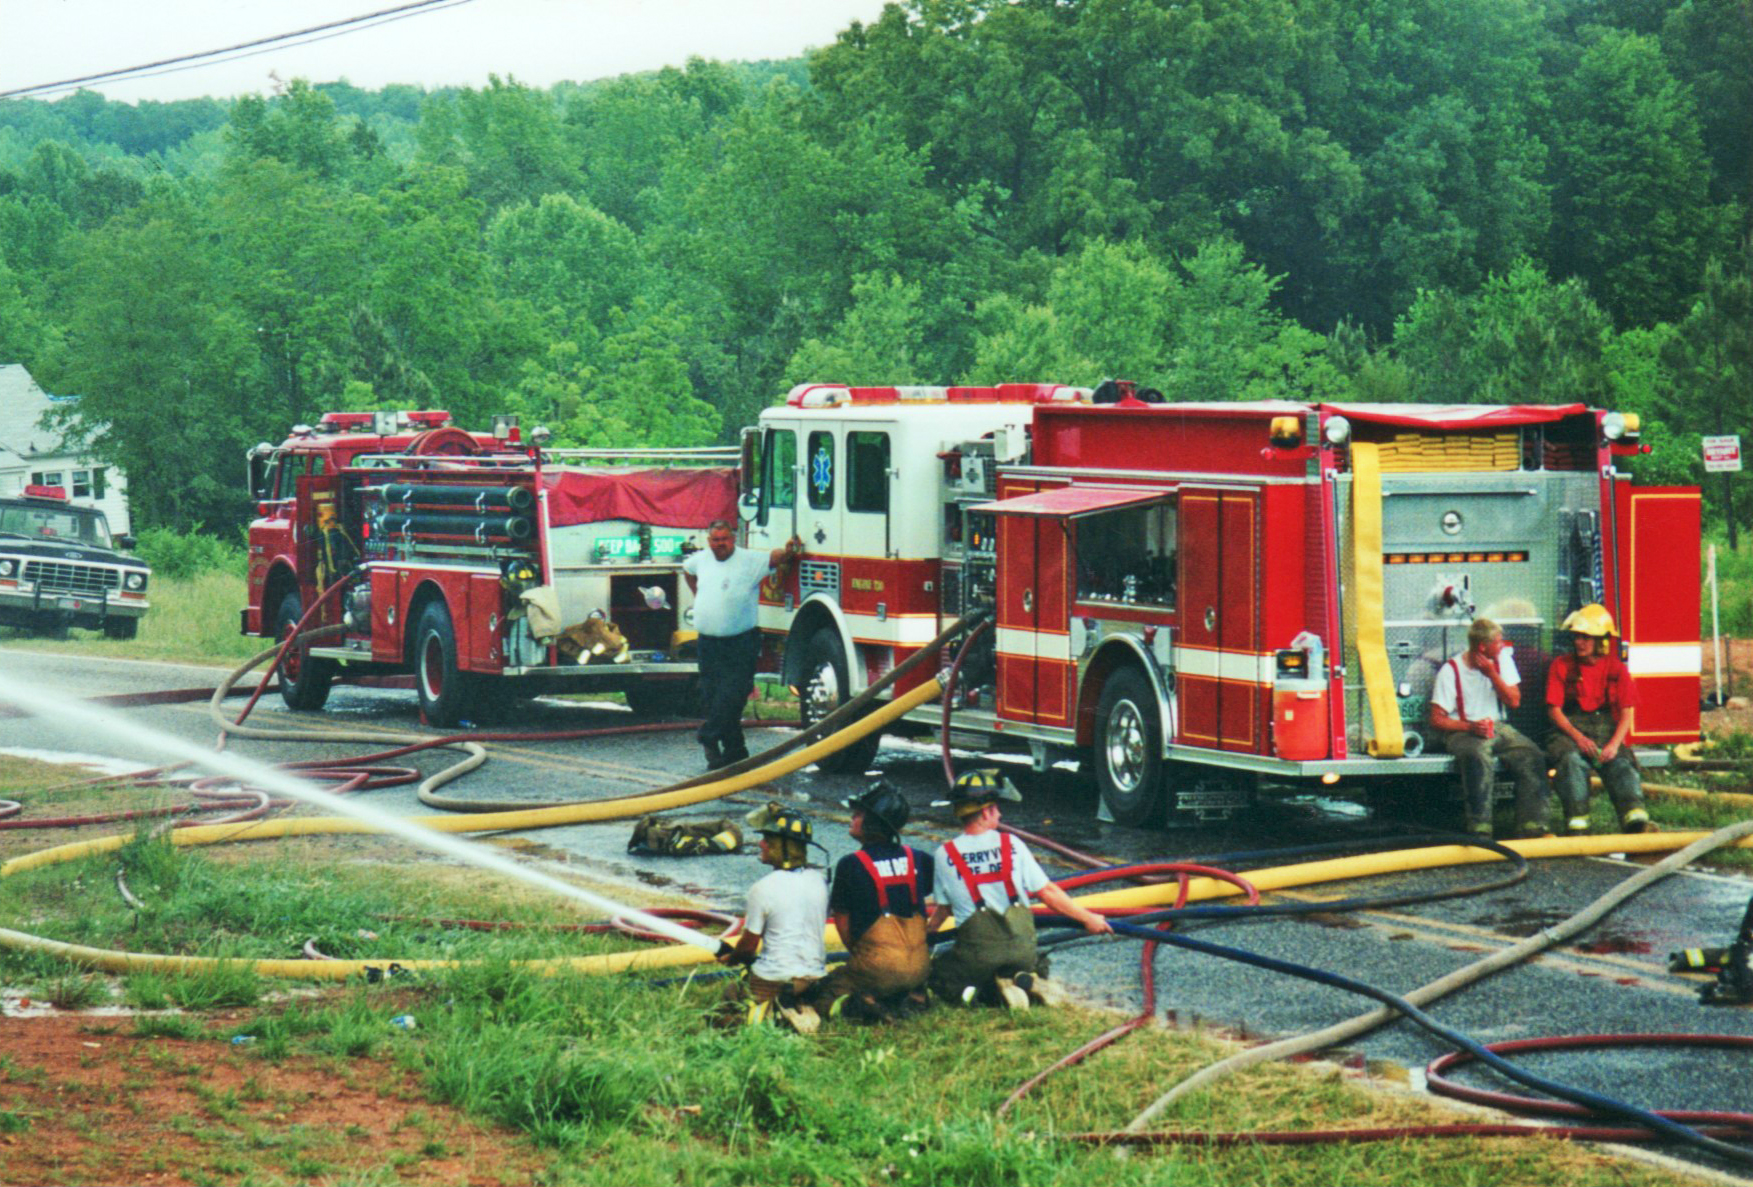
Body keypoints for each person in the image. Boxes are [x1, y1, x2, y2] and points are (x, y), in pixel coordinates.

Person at [926, 769, 1111, 1008]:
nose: (1000, 814)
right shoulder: (1012, 844)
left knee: (940, 976)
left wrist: (926, 936)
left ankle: (992, 991)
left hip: (979, 957)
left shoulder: (944, 855)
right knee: (1029, 960)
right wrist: (1088, 918)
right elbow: (1048, 893)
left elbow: (944, 910)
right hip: (1021, 953)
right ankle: (1024, 978)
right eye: (996, 808)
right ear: (985, 812)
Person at [682, 520, 802, 770]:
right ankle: (736, 751)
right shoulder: (701, 560)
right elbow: (688, 571)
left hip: (740, 642)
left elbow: (776, 557)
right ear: (709, 541)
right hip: (708, 643)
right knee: (713, 696)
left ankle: (708, 735)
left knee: (733, 694)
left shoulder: (749, 561)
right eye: (715, 540)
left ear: (733, 539)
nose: (720, 545)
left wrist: (789, 550)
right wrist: (701, 596)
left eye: (724, 539)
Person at [819, 778, 935, 1019]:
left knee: (822, 993)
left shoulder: (850, 865)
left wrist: (862, 957)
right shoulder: (920, 858)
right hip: (920, 969)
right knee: (896, 978)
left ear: (872, 822)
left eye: (858, 814)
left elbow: (841, 920)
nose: (852, 818)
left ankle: (864, 1004)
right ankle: (914, 995)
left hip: (878, 968)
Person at [1427, 617, 1550, 838]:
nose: (1502, 645)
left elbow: (1514, 701)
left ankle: (1532, 826)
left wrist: (1492, 674)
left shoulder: (1502, 660)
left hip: (1498, 726)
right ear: (1483, 647)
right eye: (1498, 641)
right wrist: (1470, 726)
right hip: (1462, 731)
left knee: (1531, 754)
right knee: (1477, 756)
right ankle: (1480, 828)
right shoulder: (1451, 670)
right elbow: (1437, 719)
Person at [716, 802, 829, 1031]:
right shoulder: (819, 880)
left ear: (781, 847)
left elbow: (748, 947)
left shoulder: (763, 888)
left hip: (776, 977)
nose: (761, 844)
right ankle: (800, 1004)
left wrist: (733, 958)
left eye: (767, 840)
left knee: (729, 998)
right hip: (816, 977)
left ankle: (771, 1012)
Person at [1545, 604, 1650, 835]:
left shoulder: (1616, 669)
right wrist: (1579, 738)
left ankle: (1635, 821)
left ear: (1601, 641)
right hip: (1568, 732)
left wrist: (1614, 745)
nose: (1579, 642)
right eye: (1577, 637)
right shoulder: (1561, 666)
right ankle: (1577, 824)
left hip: (1606, 732)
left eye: (1585, 638)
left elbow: (1626, 712)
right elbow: (1554, 711)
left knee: (1622, 765)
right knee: (1571, 762)